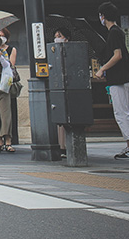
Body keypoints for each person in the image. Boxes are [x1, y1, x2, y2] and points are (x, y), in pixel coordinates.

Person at [94, 1, 129, 160]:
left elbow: (118, 55)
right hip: (122, 77)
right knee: (124, 112)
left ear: (103, 16)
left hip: (118, 78)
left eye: (100, 15)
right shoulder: (118, 31)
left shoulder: (113, 33)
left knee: (121, 113)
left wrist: (102, 69)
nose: (100, 18)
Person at [52, 24, 71, 158]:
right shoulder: (53, 52)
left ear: (67, 38)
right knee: (60, 118)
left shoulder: (72, 51)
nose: (57, 39)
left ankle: (68, 145)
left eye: (60, 36)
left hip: (70, 88)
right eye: (55, 37)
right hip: (58, 88)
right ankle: (61, 146)